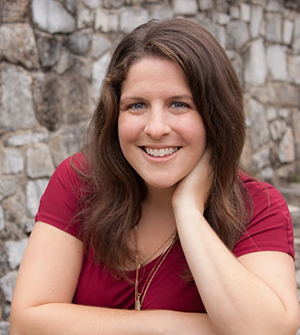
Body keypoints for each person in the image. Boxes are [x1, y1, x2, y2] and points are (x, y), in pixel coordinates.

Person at [10, 18, 300, 335]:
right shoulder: (79, 181)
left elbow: (266, 331)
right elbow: (28, 323)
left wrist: (188, 210)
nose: (156, 128)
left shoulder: (260, 207)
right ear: (115, 115)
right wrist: (172, 326)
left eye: (179, 104)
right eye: (137, 105)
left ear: (214, 114)